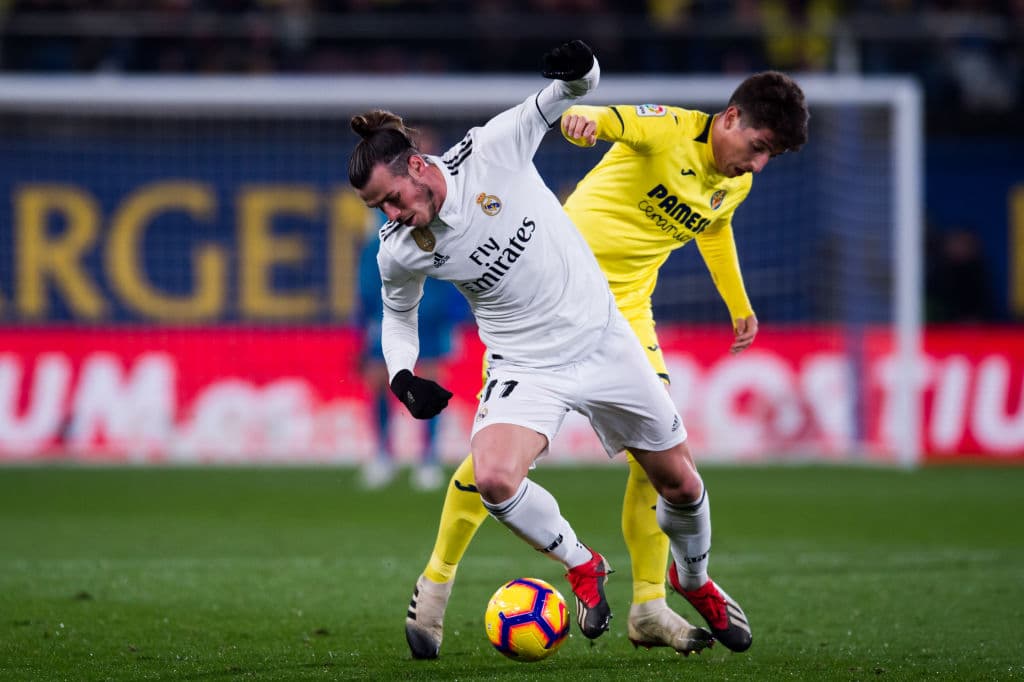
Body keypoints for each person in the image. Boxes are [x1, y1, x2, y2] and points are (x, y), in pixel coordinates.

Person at [403, 68, 810, 658]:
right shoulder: (669, 129)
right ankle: (436, 582)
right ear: (730, 119)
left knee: (659, 462)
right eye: (758, 146)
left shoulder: (734, 182)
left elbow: (715, 225)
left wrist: (738, 303)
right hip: (546, 306)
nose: (758, 164)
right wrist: (582, 119)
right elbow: (614, 119)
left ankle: (650, 605)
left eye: (770, 155)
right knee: (496, 461)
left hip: (627, 319)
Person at [356, 216, 465, 490]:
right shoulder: (379, 235)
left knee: (429, 381)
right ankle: (383, 454)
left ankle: (429, 457)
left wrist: (449, 317)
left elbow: (451, 273)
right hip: (387, 315)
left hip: (429, 316)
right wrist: (365, 319)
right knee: (380, 380)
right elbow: (366, 279)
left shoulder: (432, 230)